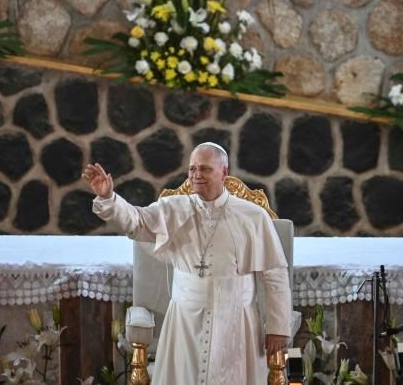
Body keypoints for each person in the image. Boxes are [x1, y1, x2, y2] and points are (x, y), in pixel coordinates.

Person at [82, 142, 291, 385]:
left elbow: (274, 273)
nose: (196, 175)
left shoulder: (253, 216)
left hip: (236, 321)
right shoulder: (173, 208)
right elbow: (136, 221)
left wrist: (277, 326)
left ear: (224, 172)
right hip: (185, 320)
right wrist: (109, 198)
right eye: (192, 169)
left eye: (205, 169)